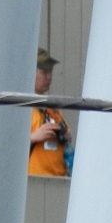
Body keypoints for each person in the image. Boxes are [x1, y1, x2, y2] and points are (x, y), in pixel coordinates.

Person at [29, 48, 73, 176]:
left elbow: (65, 136)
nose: (49, 77)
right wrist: (34, 137)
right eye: (44, 72)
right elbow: (6, 145)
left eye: (51, 72)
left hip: (60, 179)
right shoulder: (20, 106)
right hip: (35, 181)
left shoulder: (52, 107)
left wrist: (66, 136)